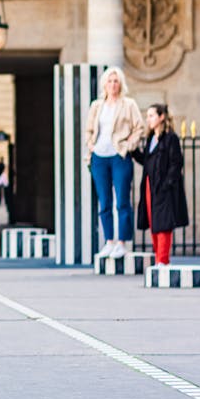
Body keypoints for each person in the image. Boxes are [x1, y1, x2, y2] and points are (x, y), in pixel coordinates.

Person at [84, 66, 144, 258]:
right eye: (109, 81)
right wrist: (90, 145)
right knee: (104, 202)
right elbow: (89, 129)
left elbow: (139, 128)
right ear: (104, 84)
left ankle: (122, 242)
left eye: (116, 81)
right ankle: (109, 241)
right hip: (99, 157)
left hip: (119, 156)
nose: (112, 85)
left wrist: (128, 146)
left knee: (122, 201)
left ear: (121, 84)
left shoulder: (129, 104)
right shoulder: (96, 106)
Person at [134, 104, 189, 265]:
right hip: (151, 186)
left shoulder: (170, 138)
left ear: (161, 117)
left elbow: (176, 163)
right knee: (153, 222)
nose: (148, 119)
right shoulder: (151, 139)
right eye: (148, 116)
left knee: (164, 224)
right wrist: (132, 150)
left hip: (164, 188)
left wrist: (167, 184)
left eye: (151, 115)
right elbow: (146, 160)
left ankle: (162, 260)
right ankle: (158, 257)